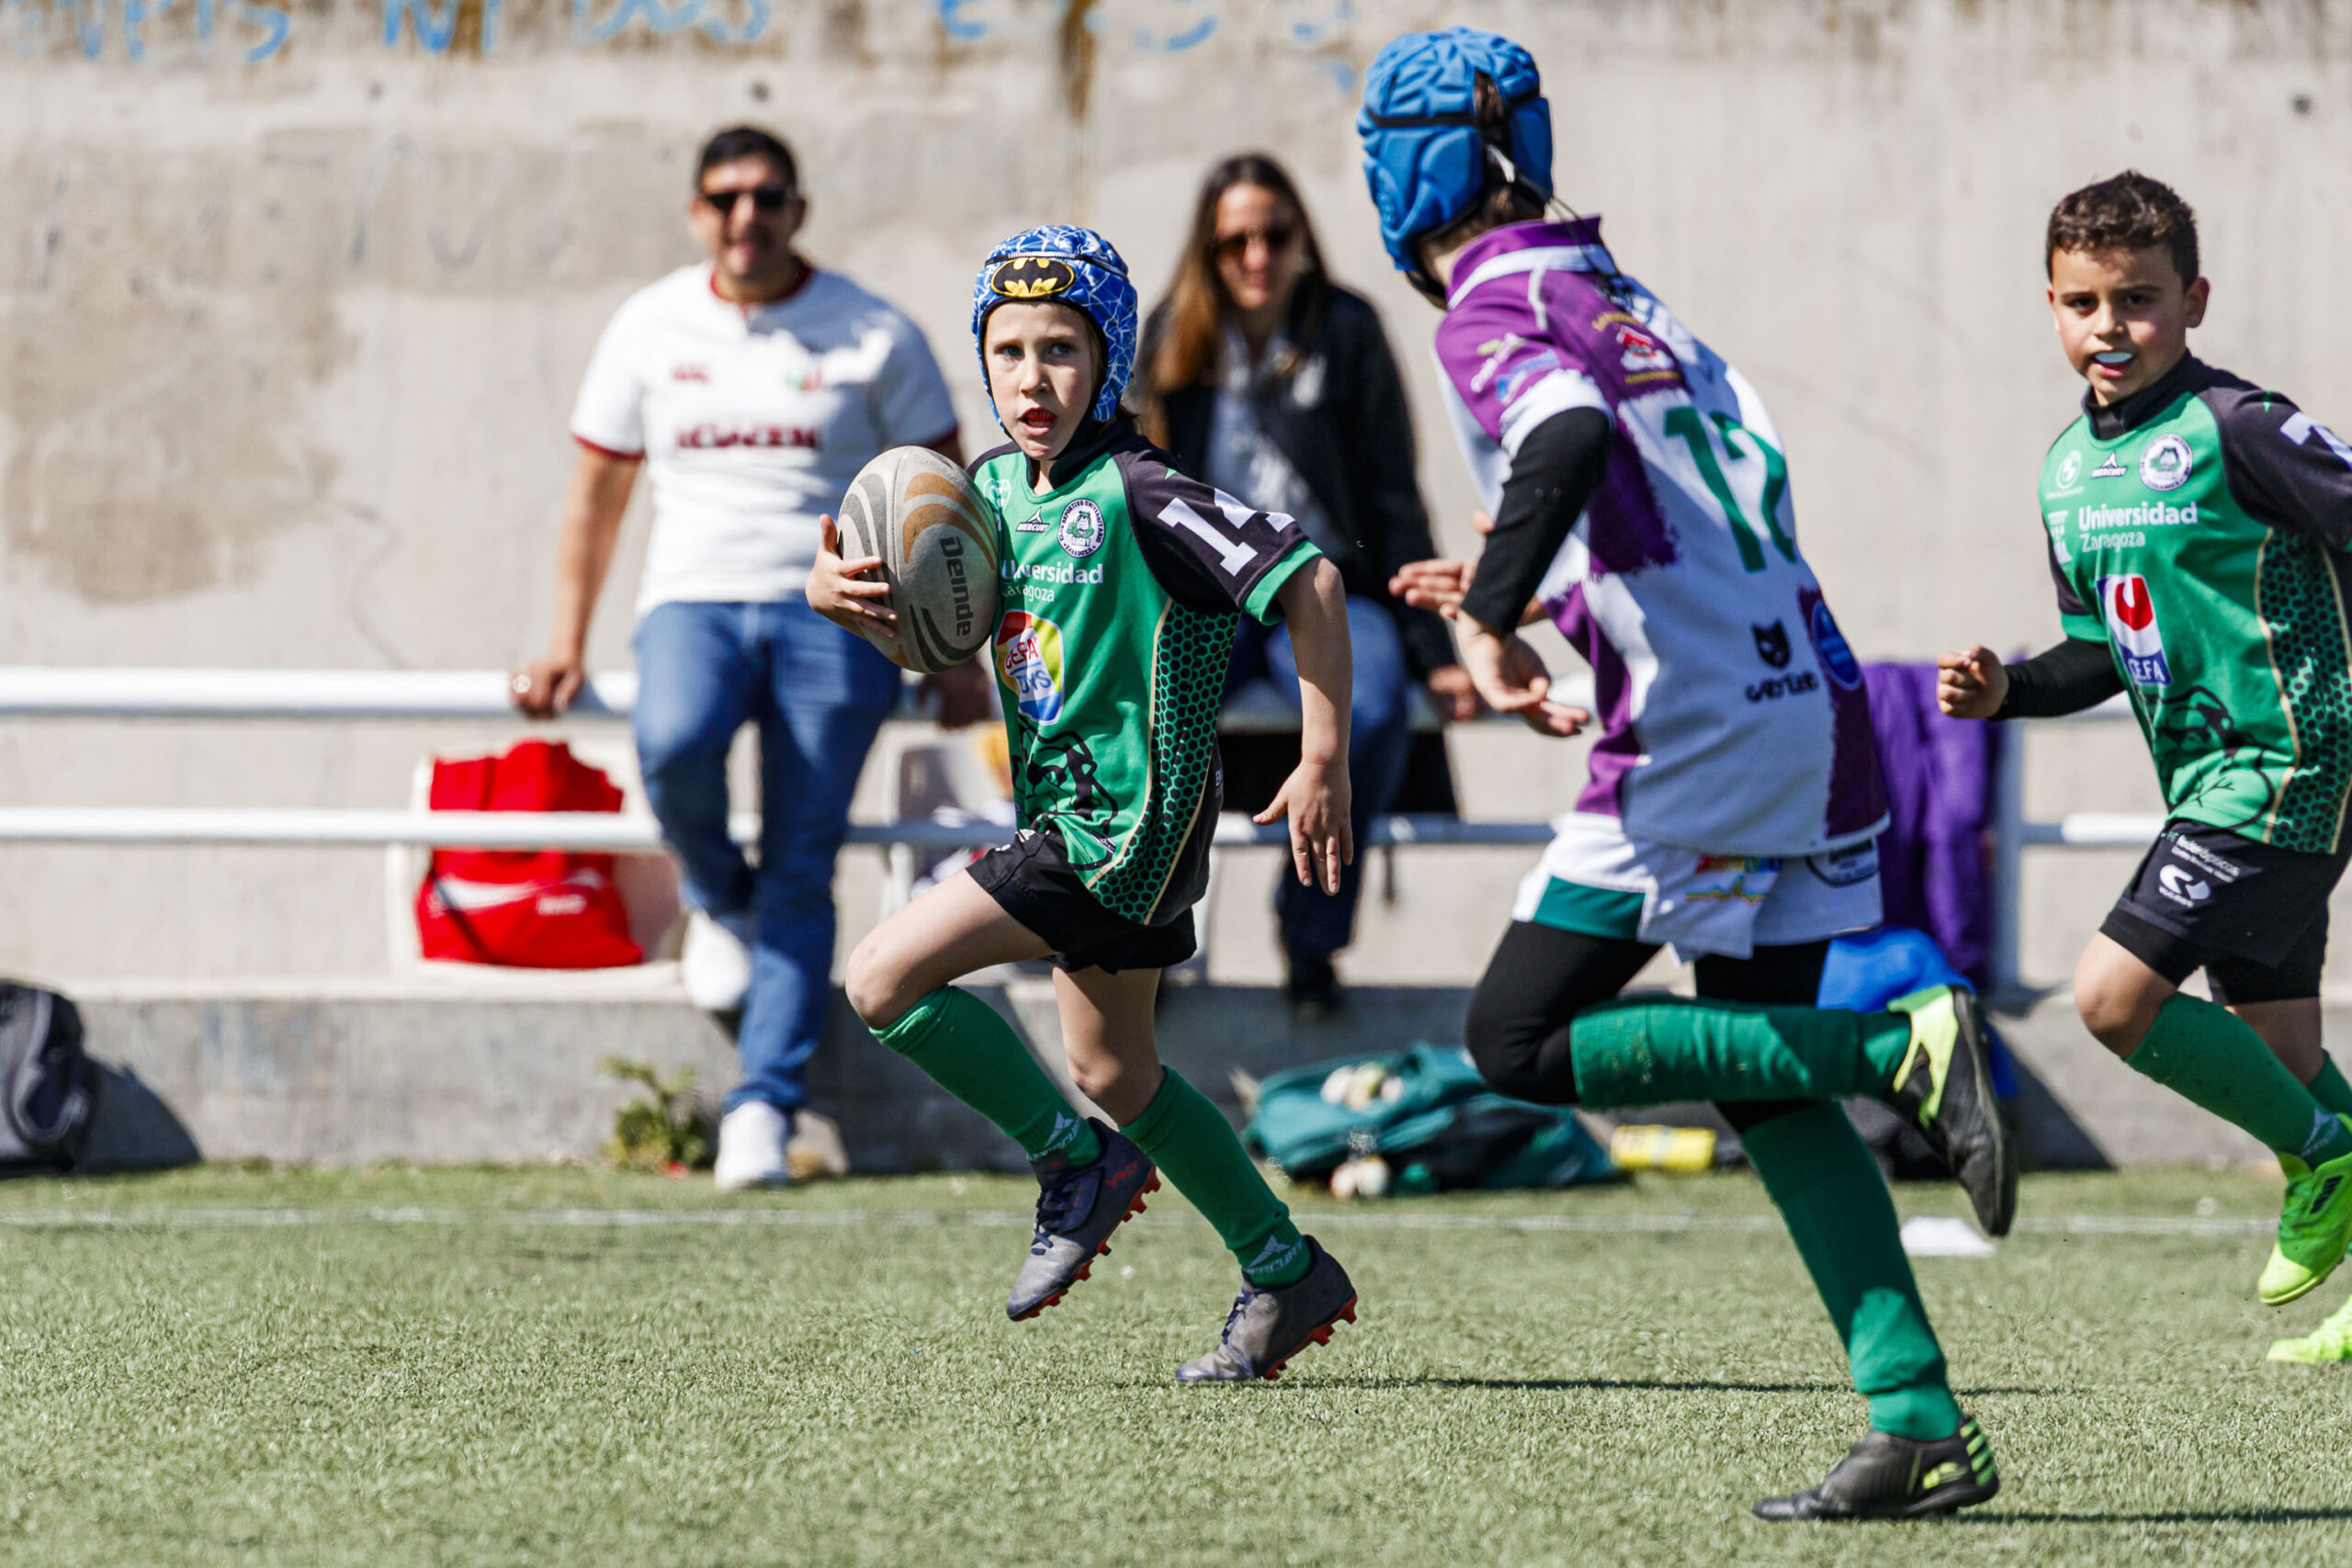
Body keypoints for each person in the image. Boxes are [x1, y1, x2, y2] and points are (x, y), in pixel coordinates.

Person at [1361, 28, 2007, 1518]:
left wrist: (1496, 606)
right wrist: (1536, 594)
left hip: (1704, 727)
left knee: (1515, 1036)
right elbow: (1678, 512)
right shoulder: (1619, 291)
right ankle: (1918, 1421)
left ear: (1418, 165)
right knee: (1752, 1066)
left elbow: (1571, 438)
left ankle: (1898, 1051)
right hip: (1815, 695)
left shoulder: (1489, 305)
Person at [810, 225, 1362, 1382]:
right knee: (1119, 1070)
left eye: (1061, 350)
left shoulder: (1144, 491)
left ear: (1109, 360)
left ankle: (1074, 1165)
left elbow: (1308, 578)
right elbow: (943, 642)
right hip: (1071, 826)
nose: (1030, 378)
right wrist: (847, 598)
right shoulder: (998, 487)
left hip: (1123, 832)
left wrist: (1321, 760)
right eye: (1006, 351)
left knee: (881, 978)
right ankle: (1281, 1268)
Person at [512, 126, 978, 1192]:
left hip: (843, 615)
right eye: (724, 198)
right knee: (671, 750)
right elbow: (596, 498)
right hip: (692, 600)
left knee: (806, 853)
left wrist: (960, 656)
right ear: (696, 213)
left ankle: (764, 1105)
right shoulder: (648, 324)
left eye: (767, 197)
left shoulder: (873, 329)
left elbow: (953, 501)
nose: (745, 217)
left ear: (797, 209)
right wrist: (561, 644)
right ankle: (721, 896)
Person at [1938, 172, 2352, 1363]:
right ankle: (2327, 1149)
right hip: (2209, 779)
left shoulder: (2243, 426)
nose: (2109, 326)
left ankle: (2328, 1162)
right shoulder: (2069, 468)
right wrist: (2010, 687)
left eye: (2139, 300)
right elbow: (2105, 649)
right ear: (2052, 305)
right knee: (2280, 1057)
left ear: (2195, 300)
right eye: (2082, 301)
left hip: (2291, 758)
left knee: (2114, 998)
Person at [1136, 153, 1476, 1014]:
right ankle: (1154, 936)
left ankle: (1311, 935)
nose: (1256, 257)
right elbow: (1137, 489)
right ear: (1206, 252)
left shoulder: (1347, 328)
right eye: (1233, 241)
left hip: (1323, 585)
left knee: (1371, 703)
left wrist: (1435, 649)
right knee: (1154, 710)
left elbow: (1395, 494)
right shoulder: (1175, 333)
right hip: (1208, 589)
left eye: (1274, 235)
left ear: (1303, 240)